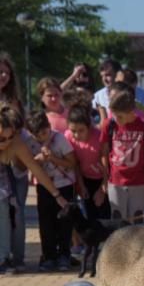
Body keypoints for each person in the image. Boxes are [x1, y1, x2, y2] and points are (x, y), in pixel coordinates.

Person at [0, 107, 69, 273]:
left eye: (10, 137)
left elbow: (36, 169)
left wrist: (57, 194)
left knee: (9, 210)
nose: (6, 142)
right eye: (2, 138)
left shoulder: (16, 143)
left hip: (6, 177)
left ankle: (9, 259)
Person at [25, 111, 77, 271]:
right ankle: (48, 256)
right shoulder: (30, 143)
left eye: (44, 132)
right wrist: (35, 162)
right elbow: (27, 164)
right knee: (46, 223)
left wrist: (52, 158)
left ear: (49, 127)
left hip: (65, 185)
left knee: (64, 222)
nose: (42, 137)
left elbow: (72, 163)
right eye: (37, 135)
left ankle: (64, 255)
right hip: (44, 187)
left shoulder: (59, 139)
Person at [102, 89, 144, 220]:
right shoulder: (109, 125)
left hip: (138, 182)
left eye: (119, 116)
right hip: (115, 182)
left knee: (137, 220)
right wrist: (105, 179)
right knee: (117, 220)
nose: (116, 119)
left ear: (131, 112)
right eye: (114, 115)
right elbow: (103, 154)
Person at [66, 105, 109, 219]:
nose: (76, 135)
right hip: (85, 180)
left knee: (104, 216)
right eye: (73, 130)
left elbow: (107, 161)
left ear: (89, 127)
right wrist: (81, 185)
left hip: (103, 179)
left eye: (81, 130)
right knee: (90, 216)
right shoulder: (68, 137)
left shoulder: (99, 137)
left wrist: (102, 188)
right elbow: (76, 163)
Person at [91, 59, 122, 124]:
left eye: (108, 75)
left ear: (118, 74)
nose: (104, 79)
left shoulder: (138, 94)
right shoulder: (97, 96)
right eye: (102, 76)